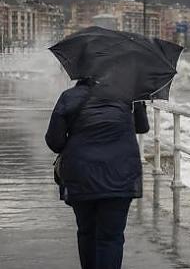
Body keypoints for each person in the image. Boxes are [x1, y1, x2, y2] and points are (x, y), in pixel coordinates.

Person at [45, 78, 149, 269]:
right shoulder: (128, 95)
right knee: (111, 237)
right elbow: (142, 127)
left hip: (81, 175)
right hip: (120, 175)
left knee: (86, 231)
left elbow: (54, 141)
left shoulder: (69, 97)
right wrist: (139, 99)